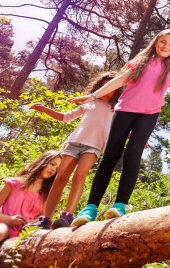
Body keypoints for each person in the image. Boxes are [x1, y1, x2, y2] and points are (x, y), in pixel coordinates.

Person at [69, 29, 170, 226]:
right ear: (156, 42)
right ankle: (90, 207)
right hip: (125, 111)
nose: (166, 46)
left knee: (133, 154)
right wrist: (92, 96)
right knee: (110, 156)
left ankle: (120, 205)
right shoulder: (140, 62)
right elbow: (118, 81)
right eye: (163, 41)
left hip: (149, 115)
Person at [28, 72, 121, 229]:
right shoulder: (88, 103)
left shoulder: (116, 108)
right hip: (74, 143)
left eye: (109, 88)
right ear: (98, 87)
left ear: (116, 90)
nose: (106, 91)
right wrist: (45, 110)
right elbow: (66, 117)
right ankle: (45, 219)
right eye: (103, 86)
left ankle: (67, 216)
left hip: (94, 146)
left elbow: (121, 127)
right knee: (60, 179)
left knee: (79, 177)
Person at [0, 151, 61, 266]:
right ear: (43, 161)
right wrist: (9, 220)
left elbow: (42, 218)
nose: (53, 170)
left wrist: (31, 223)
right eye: (52, 164)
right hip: (5, 224)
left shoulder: (45, 193)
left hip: (29, 230)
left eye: (57, 169)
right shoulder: (14, 183)